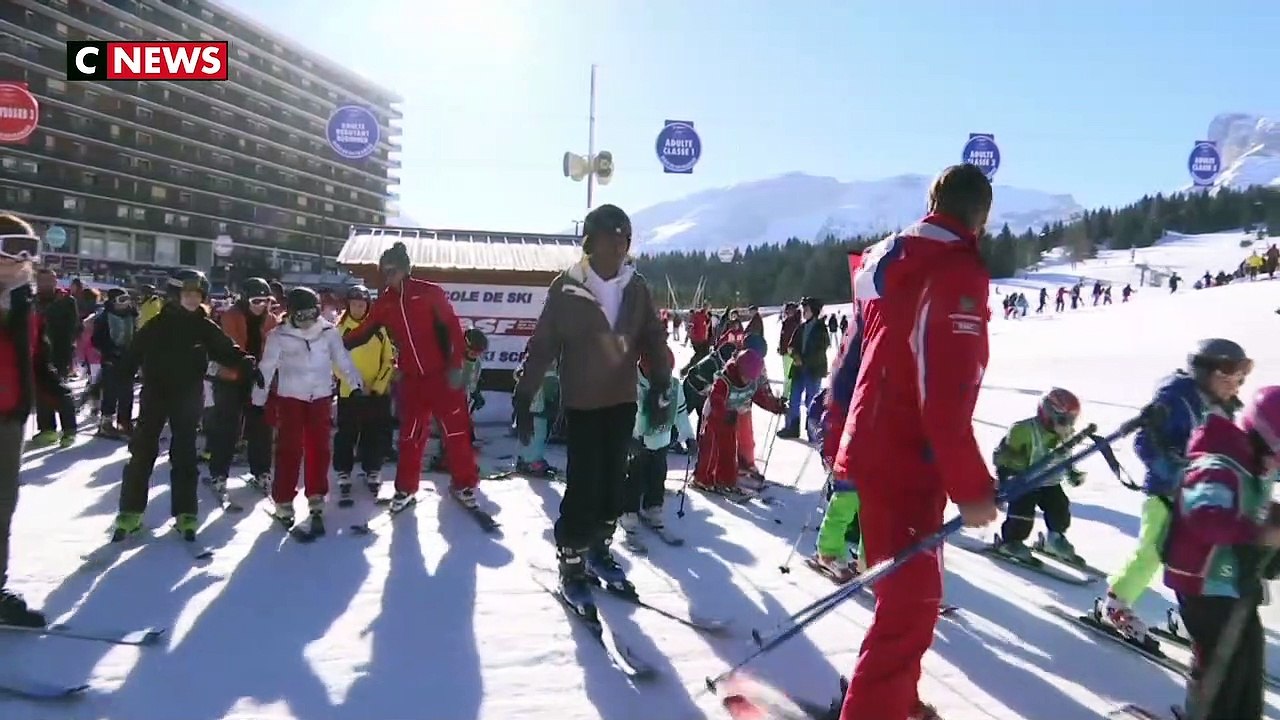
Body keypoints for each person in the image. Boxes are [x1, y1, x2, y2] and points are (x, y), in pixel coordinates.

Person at [833, 164, 999, 720]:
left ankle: (894, 699)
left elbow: (855, 358)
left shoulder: (892, 259)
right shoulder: (953, 271)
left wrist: (841, 431)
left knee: (907, 599)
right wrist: (971, 484)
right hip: (907, 456)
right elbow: (944, 392)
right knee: (910, 607)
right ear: (982, 215)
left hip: (879, 444)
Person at [514, 203, 671, 604]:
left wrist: (660, 380)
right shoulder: (566, 288)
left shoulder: (635, 287)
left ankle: (600, 544)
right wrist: (524, 394)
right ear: (591, 241)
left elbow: (653, 335)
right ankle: (571, 556)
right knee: (584, 482)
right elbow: (544, 345)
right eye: (612, 236)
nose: (620, 245)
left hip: (621, 400)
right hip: (583, 403)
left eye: (626, 237)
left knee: (614, 482)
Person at [1103, 338, 1250, 641]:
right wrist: (1175, 470)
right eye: (1231, 377)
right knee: (1153, 552)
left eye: (1240, 378)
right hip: (1166, 494)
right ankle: (1115, 603)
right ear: (1205, 373)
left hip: (1201, 499)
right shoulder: (1177, 400)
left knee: (1198, 560)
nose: (1237, 384)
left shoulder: (1224, 408)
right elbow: (1144, 441)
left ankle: (1188, 619)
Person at [1162, 385, 1280, 720]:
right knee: (1222, 662)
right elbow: (1206, 517)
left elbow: (1251, 503)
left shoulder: (1257, 460)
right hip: (1202, 580)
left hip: (1234, 579)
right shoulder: (1217, 462)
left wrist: (1272, 518)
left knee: (1249, 655)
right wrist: (1262, 533)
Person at [111, 269, 253, 545]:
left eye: (197, 295)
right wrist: (122, 373)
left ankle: (186, 512)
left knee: (185, 453)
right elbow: (133, 352)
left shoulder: (203, 325)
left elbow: (226, 349)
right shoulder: (157, 324)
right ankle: (130, 511)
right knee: (143, 451)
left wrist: (247, 363)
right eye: (187, 294)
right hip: (156, 393)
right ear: (175, 295)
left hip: (188, 395)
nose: (192, 299)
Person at [342, 241, 480, 513]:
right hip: (413, 380)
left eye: (393, 270)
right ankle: (406, 488)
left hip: (442, 377)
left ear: (405, 270)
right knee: (411, 436)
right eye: (385, 272)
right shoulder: (385, 303)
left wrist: (456, 365)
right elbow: (365, 330)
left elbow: (453, 328)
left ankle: (464, 484)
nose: (389, 276)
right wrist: (335, 341)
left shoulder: (429, 293)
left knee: (455, 432)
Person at [0, 215, 68, 626]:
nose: (22, 260)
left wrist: (54, 388)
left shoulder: (25, 302)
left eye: (29, 251)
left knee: (3, 506)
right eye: (11, 248)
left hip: (10, 416)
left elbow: (35, 354)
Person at [253, 287, 362, 534]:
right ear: (291, 314)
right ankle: (283, 499)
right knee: (289, 449)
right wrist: (258, 400)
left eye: (311, 315)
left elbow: (342, 359)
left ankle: (316, 494)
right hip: (291, 397)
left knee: (319, 449)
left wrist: (354, 384)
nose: (306, 322)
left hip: (320, 397)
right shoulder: (279, 335)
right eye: (300, 316)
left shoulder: (328, 332)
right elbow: (266, 368)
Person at [992, 388, 1087, 563]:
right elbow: (1001, 456)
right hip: (1024, 481)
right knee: (1023, 511)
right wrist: (1013, 468)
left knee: (1059, 507)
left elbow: (1066, 457)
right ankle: (1011, 541)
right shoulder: (1022, 430)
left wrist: (1071, 472)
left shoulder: (1064, 434)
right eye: (1064, 420)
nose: (1068, 425)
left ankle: (1054, 539)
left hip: (1049, 481)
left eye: (1072, 420)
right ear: (1048, 414)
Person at [206, 277, 277, 496]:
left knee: (261, 426)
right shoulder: (231, 316)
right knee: (227, 426)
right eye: (257, 301)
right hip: (231, 378)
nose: (261, 306)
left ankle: (262, 471)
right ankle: (219, 473)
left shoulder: (271, 320)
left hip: (258, 380)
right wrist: (248, 366)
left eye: (266, 301)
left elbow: (274, 349)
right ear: (245, 299)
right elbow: (231, 346)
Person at [619, 347, 695, 550]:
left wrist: (689, 437)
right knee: (634, 479)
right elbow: (620, 416)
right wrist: (627, 439)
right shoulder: (630, 386)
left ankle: (653, 507)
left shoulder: (673, 387)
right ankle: (629, 513)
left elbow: (680, 413)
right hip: (638, 444)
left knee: (657, 476)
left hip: (661, 441)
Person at [690, 349, 786, 501]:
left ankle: (726, 480)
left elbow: (759, 397)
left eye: (751, 378)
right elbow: (716, 400)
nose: (748, 380)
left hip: (731, 418)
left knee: (729, 451)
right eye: (746, 376)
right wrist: (722, 413)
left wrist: (775, 406)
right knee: (711, 450)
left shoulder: (751, 383)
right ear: (740, 369)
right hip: (714, 418)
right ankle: (702, 479)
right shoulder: (724, 381)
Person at [808, 325, 865, 582]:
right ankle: (828, 551)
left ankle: (869, 556)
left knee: (873, 507)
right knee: (845, 502)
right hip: (848, 451)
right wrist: (831, 455)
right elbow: (829, 421)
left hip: (876, 448)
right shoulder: (843, 386)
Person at [333, 284, 394, 503]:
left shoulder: (378, 329)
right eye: (354, 304)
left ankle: (372, 468)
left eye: (362, 304)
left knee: (374, 433)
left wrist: (377, 385)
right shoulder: (339, 330)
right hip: (350, 392)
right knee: (346, 433)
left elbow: (389, 359)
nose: (358, 308)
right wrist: (356, 385)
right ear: (348, 305)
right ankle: (343, 470)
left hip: (375, 392)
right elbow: (335, 363)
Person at [29, 268, 78, 448]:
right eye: (42, 281)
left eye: (49, 281)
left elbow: (72, 328)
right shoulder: (33, 301)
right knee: (42, 393)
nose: (45, 284)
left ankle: (69, 430)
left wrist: (67, 351)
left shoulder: (66, 301)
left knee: (60, 392)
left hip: (59, 353)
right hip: (39, 354)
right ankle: (47, 429)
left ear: (55, 281)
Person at [90, 289, 138, 440]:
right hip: (111, 359)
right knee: (110, 391)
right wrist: (109, 351)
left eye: (127, 299)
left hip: (128, 359)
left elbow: (137, 335)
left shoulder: (132, 315)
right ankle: (106, 422)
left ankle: (124, 422)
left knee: (127, 392)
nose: (125, 304)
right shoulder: (104, 317)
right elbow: (96, 340)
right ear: (112, 302)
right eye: (121, 300)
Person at [778, 297, 828, 439]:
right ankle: (792, 427)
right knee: (794, 399)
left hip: (813, 371)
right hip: (799, 371)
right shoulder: (801, 328)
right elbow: (791, 346)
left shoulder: (821, 329)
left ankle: (813, 431)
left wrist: (803, 360)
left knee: (811, 401)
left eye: (806, 309)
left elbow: (820, 351)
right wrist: (794, 355)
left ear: (814, 311)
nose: (804, 312)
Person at [512, 360, 561, 477]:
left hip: (535, 407)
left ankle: (526, 459)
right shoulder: (547, 373)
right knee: (537, 435)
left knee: (533, 434)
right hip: (537, 408)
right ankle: (531, 461)